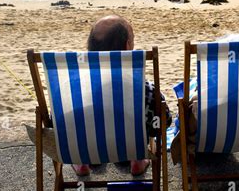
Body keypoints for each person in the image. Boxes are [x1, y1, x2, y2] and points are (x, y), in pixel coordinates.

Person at [73, 15, 172, 177]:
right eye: (132, 39)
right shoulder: (143, 89)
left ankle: (81, 160)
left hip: (90, 145)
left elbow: (55, 121)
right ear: (127, 46)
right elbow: (164, 122)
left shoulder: (74, 89)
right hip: (127, 144)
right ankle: (137, 158)